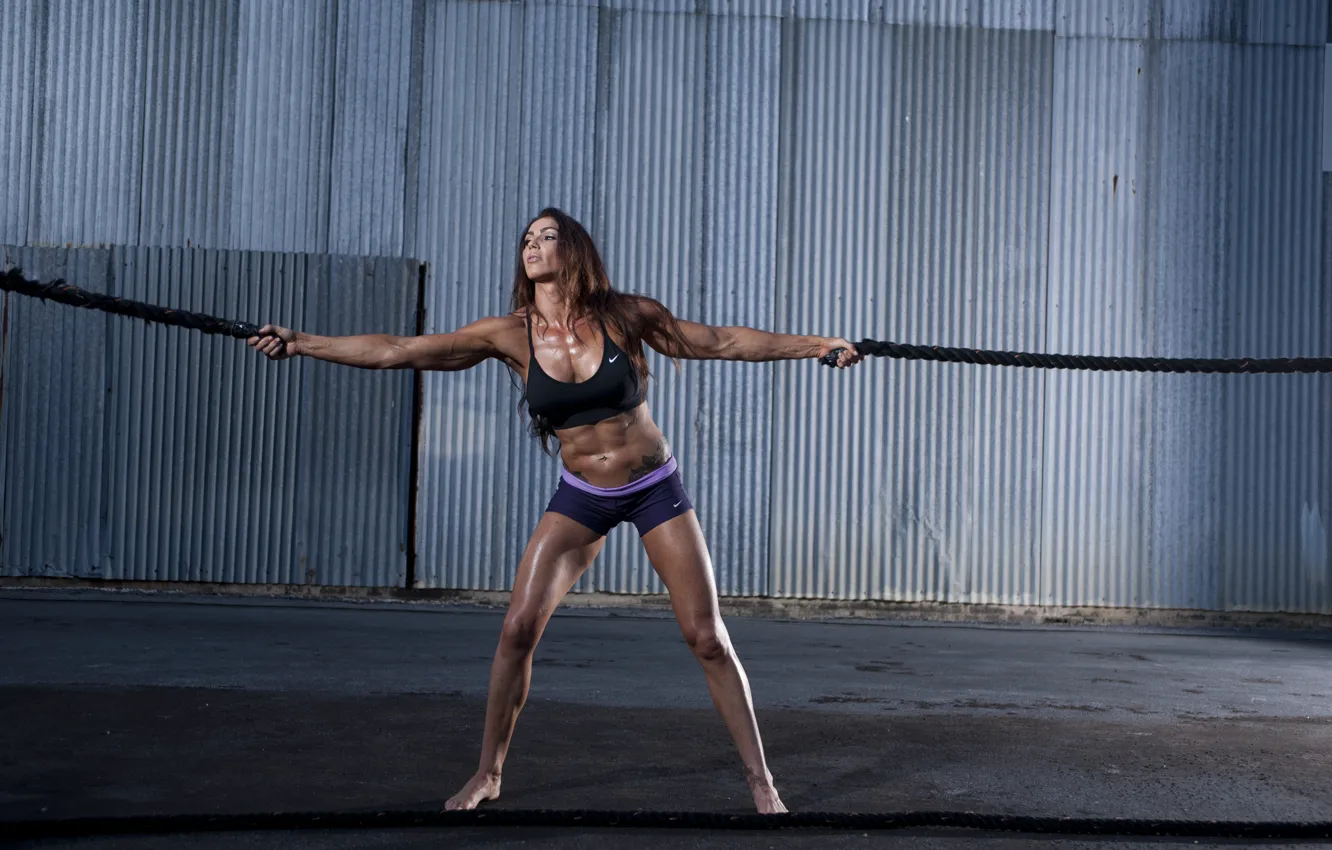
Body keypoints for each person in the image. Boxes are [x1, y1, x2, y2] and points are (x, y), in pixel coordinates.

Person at [247, 207, 863, 813]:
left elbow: (721, 340)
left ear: (574, 249)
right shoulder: (509, 334)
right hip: (583, 497)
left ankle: (762, 783)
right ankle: (487, 774)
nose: (534, 244)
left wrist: (816, 345)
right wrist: (303, 343)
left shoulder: (627, 315)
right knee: (516, 629)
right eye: (527, 239)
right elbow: (397, 349)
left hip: (654, 488)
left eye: (548, 235)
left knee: (707, 638)